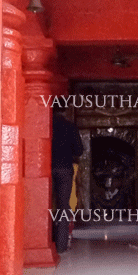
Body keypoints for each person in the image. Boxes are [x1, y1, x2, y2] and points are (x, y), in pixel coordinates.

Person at [52, 105, 83, 253]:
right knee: (63, 206)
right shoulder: (70, 127)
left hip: (46, 168)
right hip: (64, 168)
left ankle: (48, 239)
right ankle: (61, 245)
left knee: (44, 204)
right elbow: (79, 150)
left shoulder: (47, 124)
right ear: (65, 110)